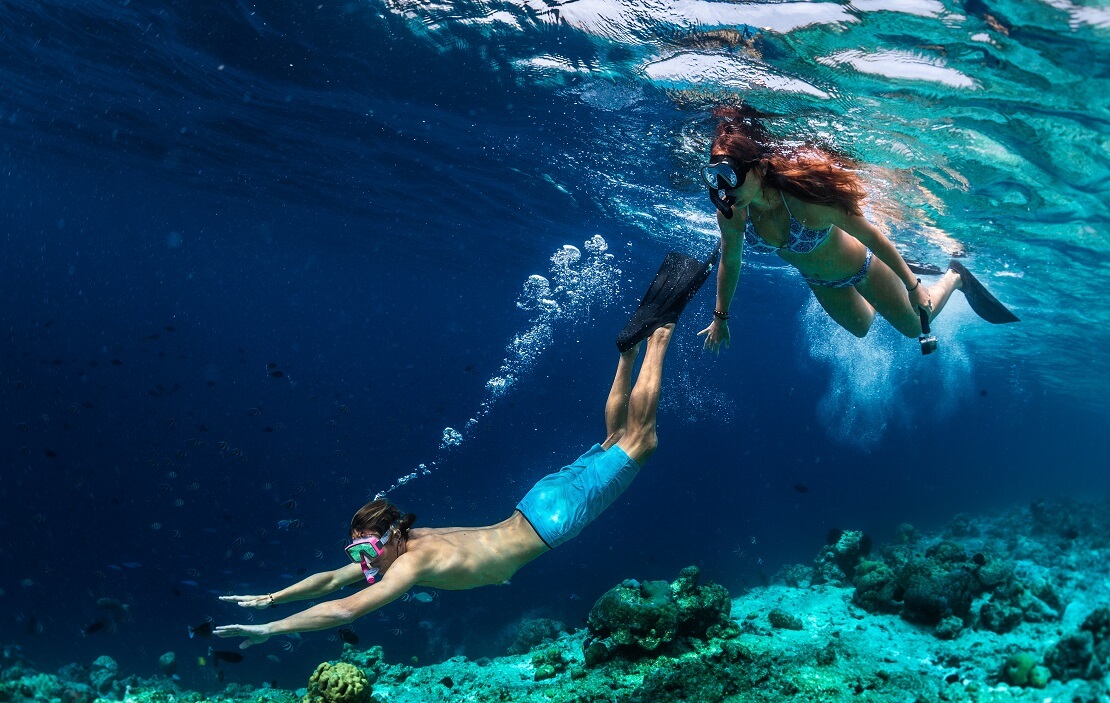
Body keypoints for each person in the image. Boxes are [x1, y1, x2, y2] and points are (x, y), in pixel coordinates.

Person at [212, 251, 715, 649]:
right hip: (536, 502)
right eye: (357, 549)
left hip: (553, 520)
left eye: (366, 548)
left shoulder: (410, 564)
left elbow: (345, 608)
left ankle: (659, 334)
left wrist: (268, 630)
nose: (362, 558)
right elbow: (329, 581)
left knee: (638, 440)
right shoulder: (407, 540)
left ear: (390, 537)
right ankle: (626, 353)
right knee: (610, 442)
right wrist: (272, 598)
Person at [697, 105, 1017, 353]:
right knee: (862, 327)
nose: (724, 190)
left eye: (730, 176)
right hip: (820, 281)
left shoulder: (805, 201)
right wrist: (720, 317)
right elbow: (731, 261)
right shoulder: (734, 213)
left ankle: (954, 275)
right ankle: (896, 280)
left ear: (760, 167)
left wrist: (911, 286)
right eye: (715, 178)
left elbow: (872, 235)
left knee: (914, 326)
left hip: (861, 266)